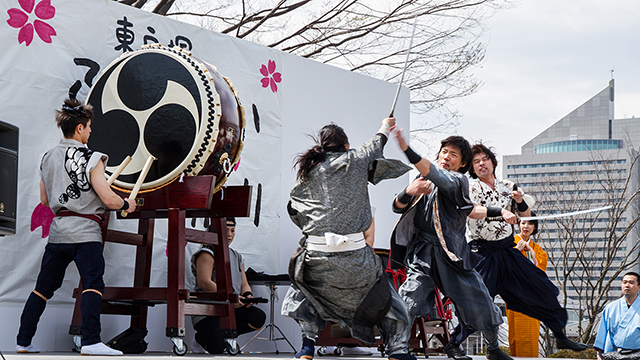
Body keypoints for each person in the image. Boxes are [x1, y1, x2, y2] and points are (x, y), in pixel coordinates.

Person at [281, 119, 414, 360]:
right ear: (345, 145)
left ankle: (307, 346)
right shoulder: (354, 159)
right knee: (388, 297)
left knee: (304, 286)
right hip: (355, 260)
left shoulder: (308, 171)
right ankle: (397, 350)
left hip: (316, 257)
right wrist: (385, 125)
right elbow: (376, 144)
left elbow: (294, 210)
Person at [16, 98, 136, 355]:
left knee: (42, 289)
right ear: (80, 128)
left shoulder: (46, 158)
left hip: (59, 234)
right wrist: (126, 202)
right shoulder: (92, 158)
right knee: (93, 284)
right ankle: (91, 341)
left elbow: (45, 201)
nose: (91, 131)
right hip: (85, 234)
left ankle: (23, 342)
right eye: (89, 126)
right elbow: (107, 198)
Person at [448, 143, 588, 353]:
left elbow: (526, 216)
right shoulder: (469, 186)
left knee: (542, 288)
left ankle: (560, 336)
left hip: (507, 251)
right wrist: (500, 212)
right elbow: (471, 211)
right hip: (483, 253)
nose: (481, 164)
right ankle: (454, 343)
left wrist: (520, 201)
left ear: (493, 162)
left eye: (484, 159)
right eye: (476, 161)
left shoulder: (508, 185)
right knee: (478, 303)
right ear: (472, 167)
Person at [390, 132, 509, 360]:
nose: (446, 156)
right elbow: (397, 207)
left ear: (462, 163)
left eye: (453, 154)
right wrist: (408, 191)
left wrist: (407, 149)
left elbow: (466, 204)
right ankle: (397, 349)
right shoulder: (423, 177)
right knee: (409, 295)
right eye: (444, 151)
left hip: (452, 254)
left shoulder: (458, 180)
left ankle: (493, 348)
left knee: (479, 299)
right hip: (422, 252)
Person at [191, 217, 266, 354]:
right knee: (217, 349)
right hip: (209, 310)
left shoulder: (237, 256)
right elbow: (204, 282)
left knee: (257, 317)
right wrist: (229, 297)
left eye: (232, 230)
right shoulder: (207, 253)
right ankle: (202, 338)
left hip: (231, 306)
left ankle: (224, 335)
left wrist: (247, 295)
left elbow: (244, 284)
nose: (230, 234)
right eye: (226, 231)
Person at [506, 215, 548, 357]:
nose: (526, 226)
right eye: (523, 223)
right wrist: (517, 250)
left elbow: (538, 273)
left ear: (534, 227)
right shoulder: (509, 244)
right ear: (518, 224)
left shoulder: (538, 250)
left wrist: (530, 251)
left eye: (530, 224)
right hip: (515, 295)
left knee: (531, 335)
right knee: (515, 335)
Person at [594, 272, 640, 359]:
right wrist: (600, 356)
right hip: (614, 354)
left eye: (631, 282)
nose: (627, 285)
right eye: (624, 282)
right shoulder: (610, 308)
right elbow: (602, 334)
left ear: (639, 287)